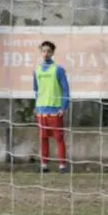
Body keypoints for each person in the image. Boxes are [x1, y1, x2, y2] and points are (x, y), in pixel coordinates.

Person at [33, 40, 71, 173]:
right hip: (41, 111)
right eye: (43, 51)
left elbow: (66, 90)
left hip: (55, 111)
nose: (46, 53)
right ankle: (44, 165)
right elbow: (36, 90)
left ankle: (62, 165)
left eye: (48, 51)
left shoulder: (58, 70)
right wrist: (36, 106)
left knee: (59, 138)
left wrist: (64, 107)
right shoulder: (36, 70)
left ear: (53, 53)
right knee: (43, 138)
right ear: (40, 52)